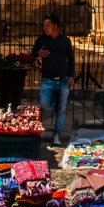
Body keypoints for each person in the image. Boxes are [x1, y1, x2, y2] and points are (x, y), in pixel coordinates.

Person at [32, 14, 76, 145]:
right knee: (45, 103)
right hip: (48, 79)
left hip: (63, 79)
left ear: (55, 27)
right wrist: (38, 53)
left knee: (61, 109)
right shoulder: (41, 40)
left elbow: (71, 58)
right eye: (44, 25)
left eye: (48, 25)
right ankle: (55, 105)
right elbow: (33, 53)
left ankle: (57, 134)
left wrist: (71, 76)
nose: (45, 28)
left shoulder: (65, 41)